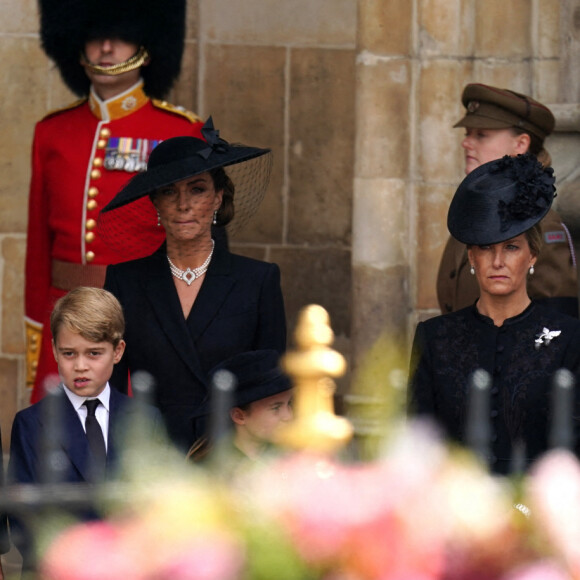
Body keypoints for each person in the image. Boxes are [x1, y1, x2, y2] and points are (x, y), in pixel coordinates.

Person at [26, 0, 205, 404]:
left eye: (121, 36)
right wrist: (39, 331)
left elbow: (193, 245)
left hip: (138, 319)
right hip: (65, 318)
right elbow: (39, 249)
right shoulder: (52, 132)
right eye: (94, 36)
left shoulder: (179, 131)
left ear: (145, 43)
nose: (106, 48)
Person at [101, 119, 287, 452]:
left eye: (197, 189)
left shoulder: (258, 281)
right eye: (170, 192)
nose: (183, 204)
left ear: (217, 198)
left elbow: (273, 392)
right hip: (153, 459)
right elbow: (111, 391)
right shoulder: (124, 281)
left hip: (232, 462)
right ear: (155, 203)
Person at [409, 154, 580, 475]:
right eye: (487, 248)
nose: (498, 261)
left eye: (512, 247)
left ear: (532, 256)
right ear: (471, 256)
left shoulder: (570, 339)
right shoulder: (434, 338)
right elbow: (416, 444)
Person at [9, 287, 161, 572]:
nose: (80, 366)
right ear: (54, 350)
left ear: (118, 352)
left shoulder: (144, 419)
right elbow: (22, 515)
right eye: (69, 353)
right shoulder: (31, 424)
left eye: (94, 353)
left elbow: (154, 507)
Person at [436, 83, 578, 317]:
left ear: (520, 145)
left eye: (481, 134)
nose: (466, 143)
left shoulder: (543, 224)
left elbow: (556, 329)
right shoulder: (473, 214)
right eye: (467, 134)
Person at [188, 350, 293, 468]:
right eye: (276, 408)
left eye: (289, 403)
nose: (288, 416)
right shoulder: (214, 469)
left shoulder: (291, 455)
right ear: (239, 416)